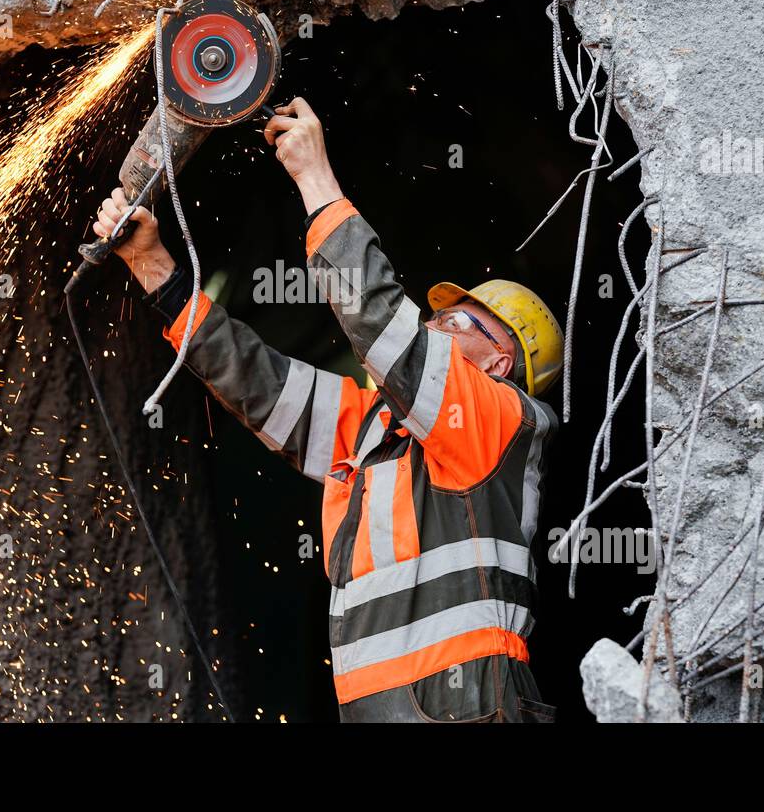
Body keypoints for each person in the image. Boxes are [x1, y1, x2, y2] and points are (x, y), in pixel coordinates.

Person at [91, 97, 564, 722]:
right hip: (380, 708)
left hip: (467, 699)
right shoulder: (375, 430)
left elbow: (376, 318)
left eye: (455, 320)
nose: (433, 324)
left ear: (500, 363)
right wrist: (152, 264)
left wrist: (315, 177)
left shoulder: (501, 419)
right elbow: (258, 382)